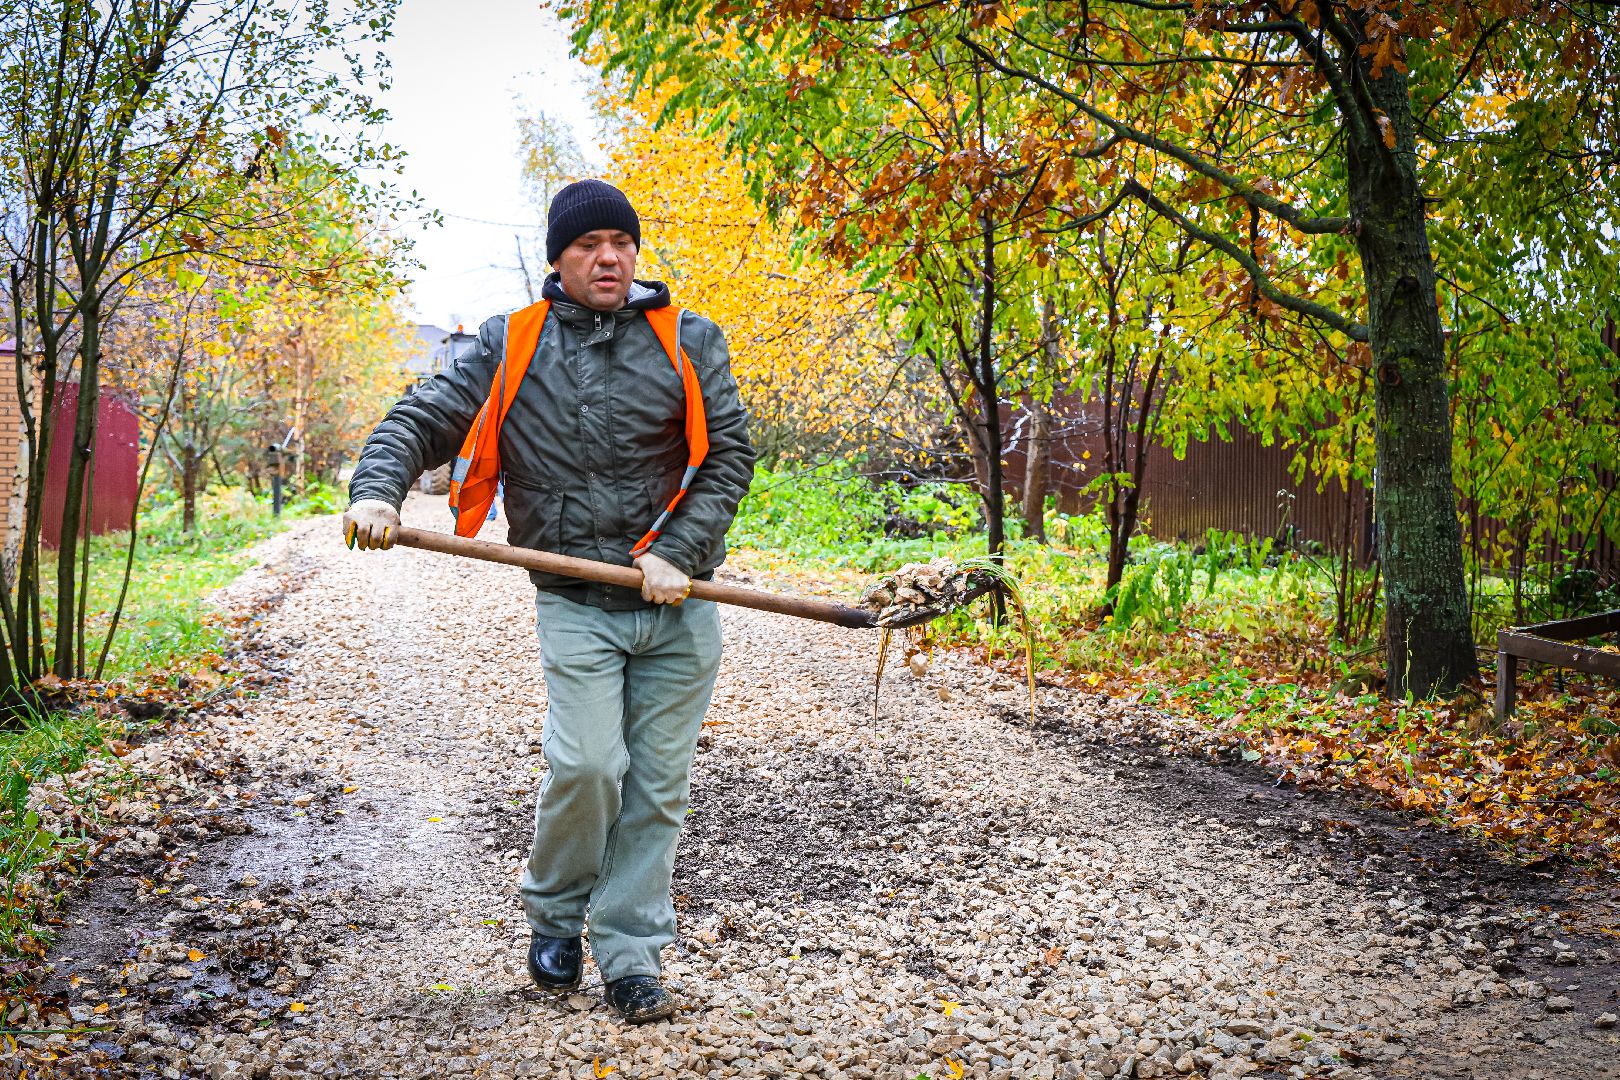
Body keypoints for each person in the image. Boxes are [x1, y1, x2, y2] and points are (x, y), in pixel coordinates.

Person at [340, 179, 755, 1023]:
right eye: (588, 245)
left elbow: (729, 455)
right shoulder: (512, 342)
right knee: (588, 767)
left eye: (622, 243)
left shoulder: (687, 338)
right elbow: (420, 419)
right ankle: (556, 914)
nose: (609, 258)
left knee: (657, 788)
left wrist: (675, 552)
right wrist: (378, 491)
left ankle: (631, 953)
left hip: (678, 602)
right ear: (558, 260)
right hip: (576, 599)